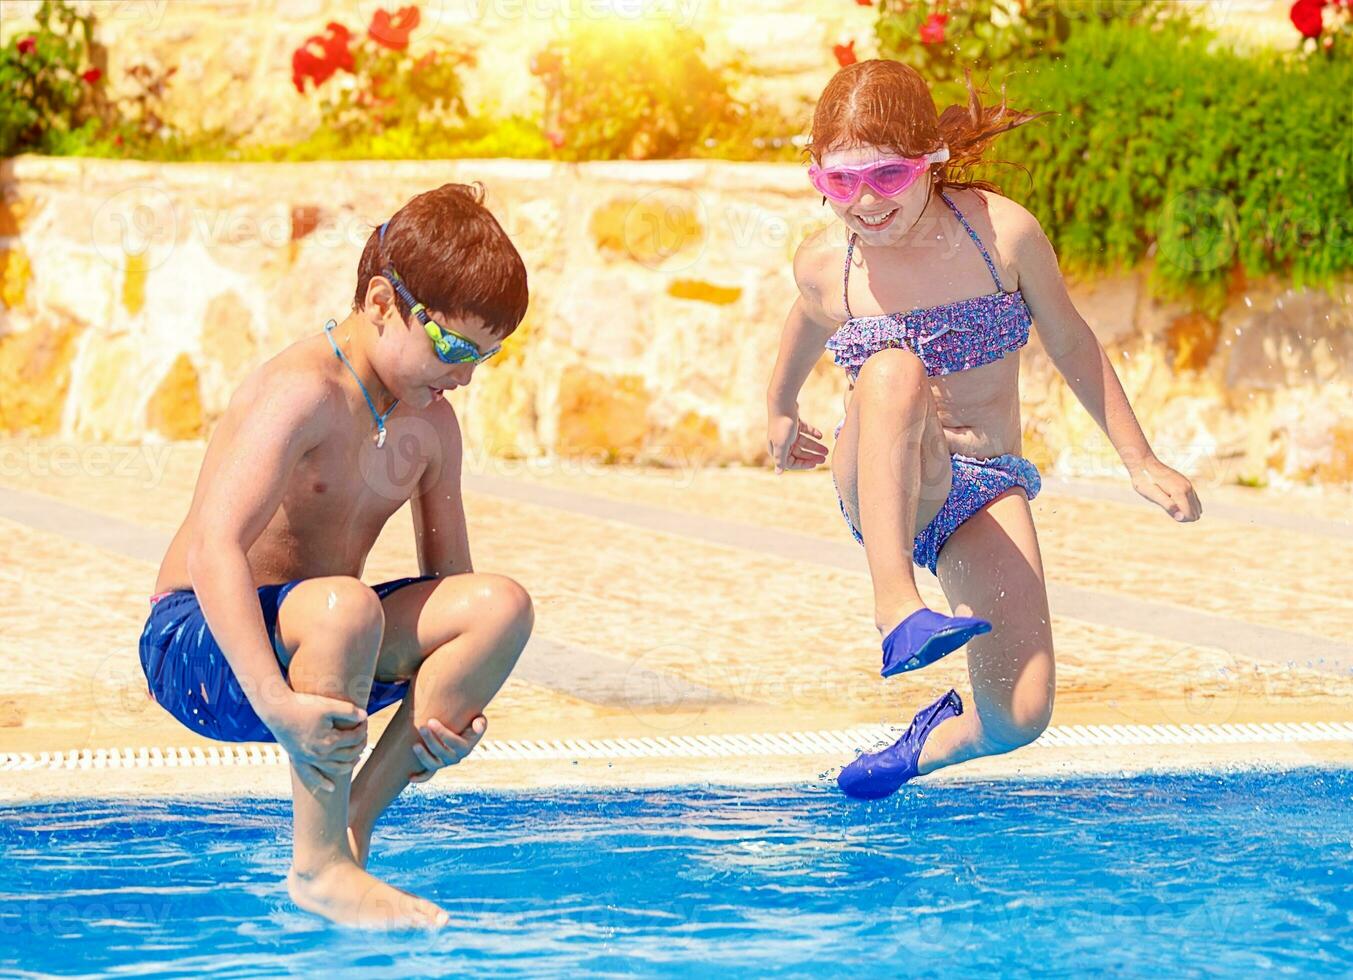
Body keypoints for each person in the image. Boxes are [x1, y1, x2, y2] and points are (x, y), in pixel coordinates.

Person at [765, 62, 1202, 799]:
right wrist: (779, 410)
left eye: (888, 177)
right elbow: (804, 322)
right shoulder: (827, 263)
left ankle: (922, 745)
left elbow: (1069, 340)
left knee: (1019, 717)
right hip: (882, 479)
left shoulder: (998, 234)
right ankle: (896, 607)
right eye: (840, 183)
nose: (865, 203)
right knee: (893, 369)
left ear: (930, 158)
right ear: (817, 176)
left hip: (982, 483)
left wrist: (1138, 458)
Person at [139, 183, 534, 924]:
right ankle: (315, 865)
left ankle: (348, 832)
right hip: (204, 647)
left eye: (489, 355)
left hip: (331, 651)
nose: (467, 375)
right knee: (342, 606)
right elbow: (212, 548)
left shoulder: (431, 427)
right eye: (452, 347)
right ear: (383, 302)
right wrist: (273, 699)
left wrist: (448, 706)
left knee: (498, 606)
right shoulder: (301, 392)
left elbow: (449, 591)